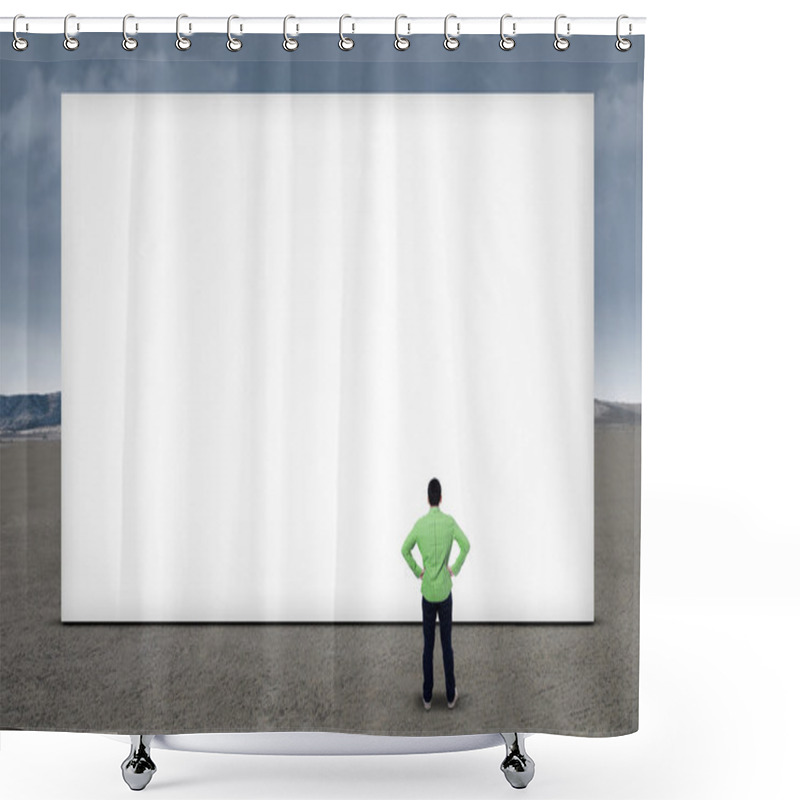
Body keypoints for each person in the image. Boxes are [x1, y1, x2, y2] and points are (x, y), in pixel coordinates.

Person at [401, 477, 470, 710]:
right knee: (447, 645)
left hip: (428, 594)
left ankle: (428, 696)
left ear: (427, 498)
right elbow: (466, 545)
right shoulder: (449, 523)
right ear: (440, 498)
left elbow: (405, 549)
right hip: (445, 592)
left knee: (428, 646)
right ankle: (451, 695)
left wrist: (418, 571)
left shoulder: (420, 525)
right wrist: (454, 568)